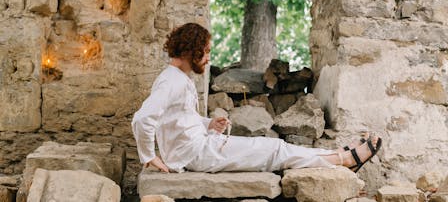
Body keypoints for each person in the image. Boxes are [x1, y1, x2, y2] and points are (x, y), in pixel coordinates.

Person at [132, 23, 381, 174]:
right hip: (195, 154)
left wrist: (207, 124)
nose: (208, 58)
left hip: (200, 145)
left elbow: (179, 119)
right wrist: (148, 156)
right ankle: (343, 159)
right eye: (206, 52)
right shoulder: (171, 81)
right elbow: (143, 119)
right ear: (191, 50)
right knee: (272, 150)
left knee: (273, 148)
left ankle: (336, 155)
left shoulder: (178, 78)